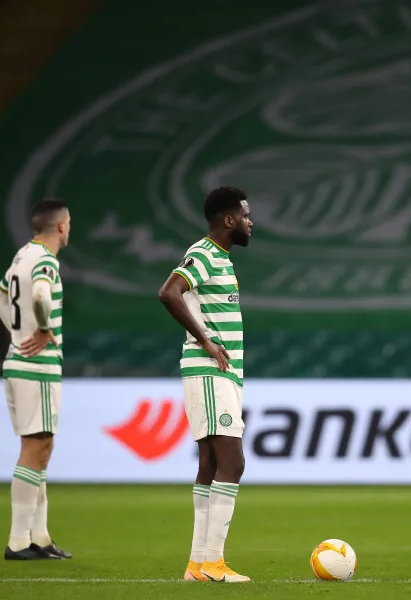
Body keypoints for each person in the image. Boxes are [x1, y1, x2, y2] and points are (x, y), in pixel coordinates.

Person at [158, 186, 253, 583]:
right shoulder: (205, 254)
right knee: (233, 462)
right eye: (246, 215)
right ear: (229, 220)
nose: (251, 222)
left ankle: (197, 565)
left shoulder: (221, 259)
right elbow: (168, 292)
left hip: (217, 375)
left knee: (211, 464)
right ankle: (214, 563)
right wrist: (205, 339)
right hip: (209, 373)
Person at [0, 198, 73, 560]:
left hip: (19, 363)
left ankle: (39, 537)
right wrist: (40, 328)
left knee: (42, 448)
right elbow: (40, 294)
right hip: (36, 367)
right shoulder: (44, 262)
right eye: (68, 222)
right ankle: (19, 541)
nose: (69, 228)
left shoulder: (21, 256)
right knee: (34, 448)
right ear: (60, 226)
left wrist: (15, 332)